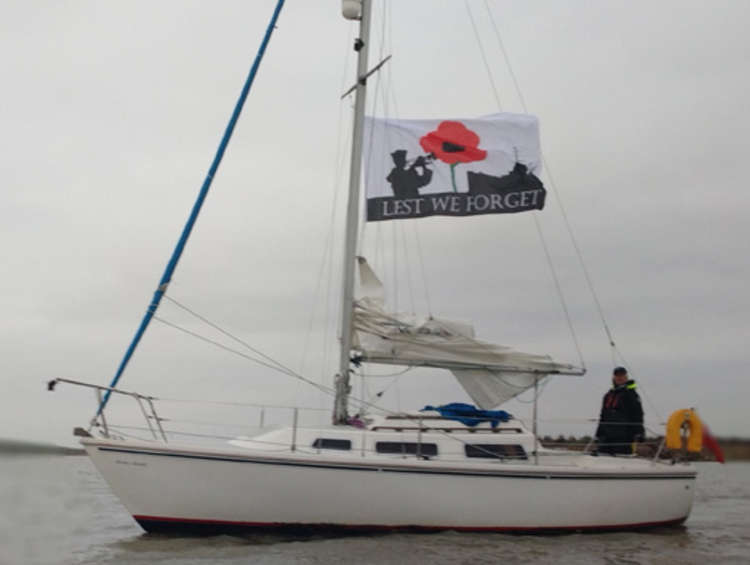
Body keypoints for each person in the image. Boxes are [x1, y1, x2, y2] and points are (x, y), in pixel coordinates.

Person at [595, 367, 644, 455]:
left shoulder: (631, 394)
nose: (619, 378)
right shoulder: (608, 395)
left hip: (624, 435)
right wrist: (598, 434)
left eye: (622, 375)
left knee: (622, 459)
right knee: (602, 457)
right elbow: (603, 416)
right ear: (613, 378)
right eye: (617, 375)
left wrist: (640, 432)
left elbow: (638, 413)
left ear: (626, 377)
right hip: (606, 435)